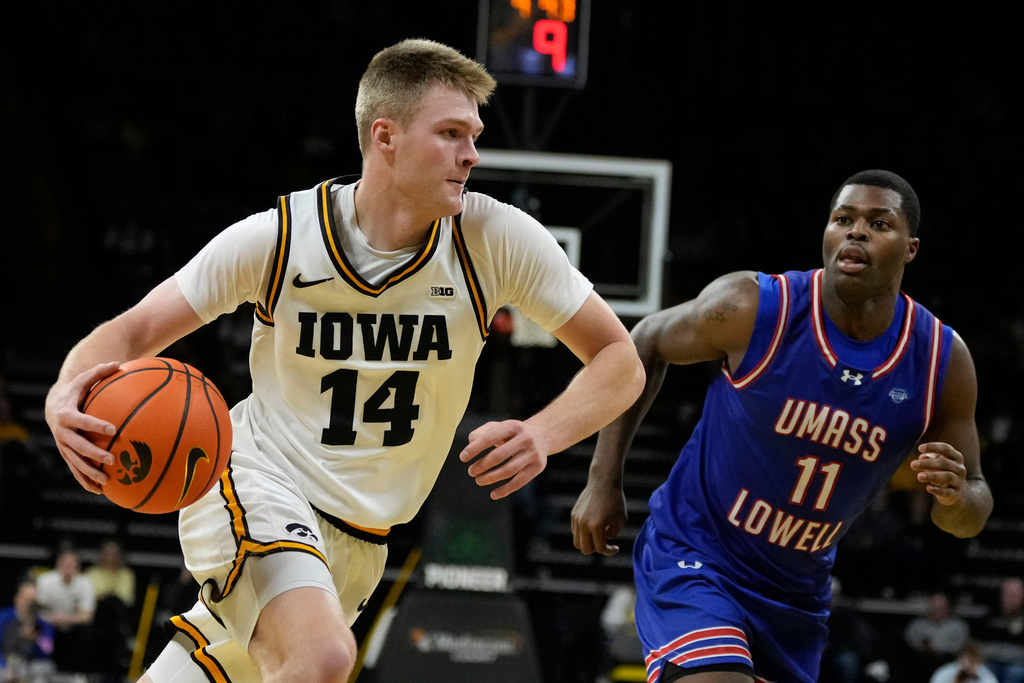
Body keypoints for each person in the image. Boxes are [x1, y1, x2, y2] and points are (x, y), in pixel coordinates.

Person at [44, 38, 644, 683]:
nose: (471, 154)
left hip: (362, 538)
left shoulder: (497, 239)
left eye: (473, 135)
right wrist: (64, 393)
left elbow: (620, 358)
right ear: (384, 136)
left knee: (228, 669)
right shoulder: (281, 239)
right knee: (321, 659)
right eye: (450, 133)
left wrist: (542, 434)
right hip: (257, 479)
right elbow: (131, 332)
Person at [571, 169, 993, 683]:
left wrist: (954, 498)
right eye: (843, 219)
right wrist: (602, 477)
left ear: (911, 248)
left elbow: (969, 512)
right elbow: (644, 342)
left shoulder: (941, 362)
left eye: (879, 223)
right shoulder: (755, 307)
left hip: (795, 589)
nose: (856, 232)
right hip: (700, 552)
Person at [35, 547, 95, 674]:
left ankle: (79, 673)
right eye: (65, 565)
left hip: (74, 628)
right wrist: (52, 619)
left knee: (86, 634)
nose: (68, 569)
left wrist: (67, 619)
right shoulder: (45, 581)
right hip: (48, 627)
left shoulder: (85, 583)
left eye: (73, 565)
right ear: (58, 565)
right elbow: (38, 609)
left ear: (78, 567)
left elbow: (87, 616)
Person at [903, 591, 971, 680]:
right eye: (934, 606)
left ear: (949, 607)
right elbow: (908, 643)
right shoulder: (917, 624)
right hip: (918, 665)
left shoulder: (958, 626)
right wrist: (924, 647)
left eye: (941, 607)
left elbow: (961, 647)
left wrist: (937, 649)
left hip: (947, 665)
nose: (937, 610)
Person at [0, 578, 56, 683]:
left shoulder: (43, 622)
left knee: (47, 667)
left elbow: (48, 651)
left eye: (33, 601)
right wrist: (4, 667)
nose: (29, 604)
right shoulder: (3, 618)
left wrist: (36, 639)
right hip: (4, 663)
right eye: (26, 599)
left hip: (29, 666)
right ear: (17, 599)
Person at [974, 576, 1024, 683]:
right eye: (1008, 594)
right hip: (990, 661)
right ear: (1001, 595)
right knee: (981, 671)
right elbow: (978, 643)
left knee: (1015, 673)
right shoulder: (989, 616)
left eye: (1015, 595)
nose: (1011, 598)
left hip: (1018, 664)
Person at [929, 640, 998, 683]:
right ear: (960, 659)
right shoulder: (946, 671)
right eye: (969, 660)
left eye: (974, 660)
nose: (970, 664)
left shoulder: (985, 674)